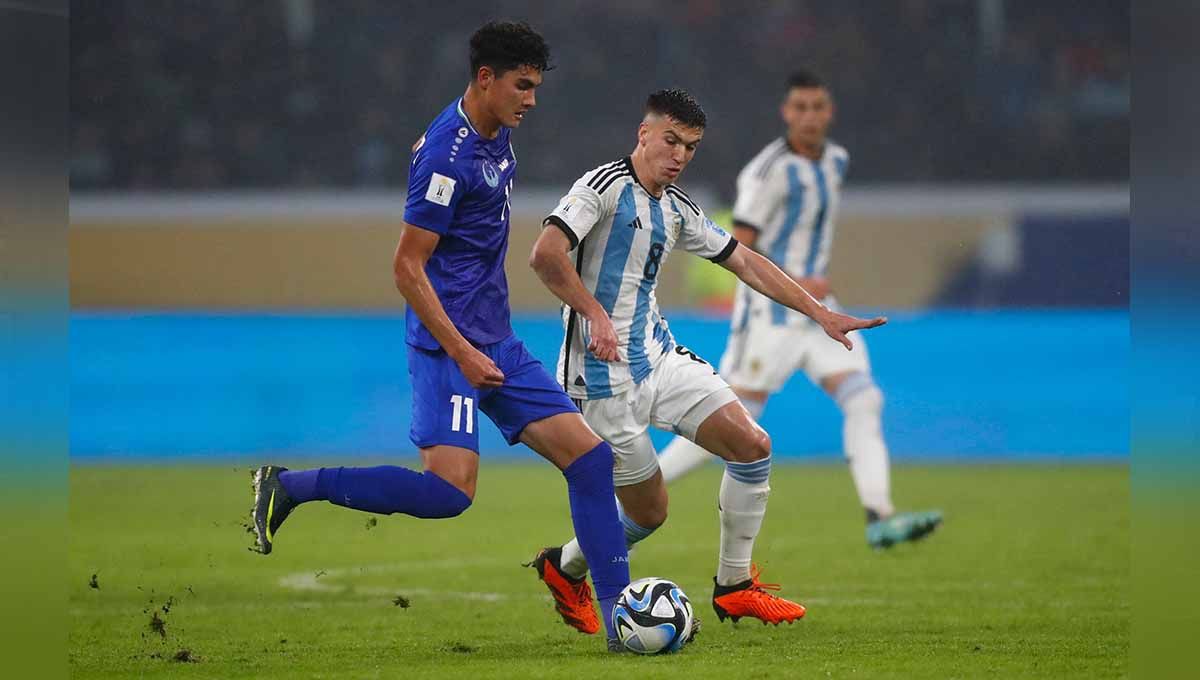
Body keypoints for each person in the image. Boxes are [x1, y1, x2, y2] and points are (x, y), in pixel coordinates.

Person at [248, 20, 632, 650]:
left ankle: (621, 622)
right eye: (522, 85)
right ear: (486, 78)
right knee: (451, 494)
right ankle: (290, 485)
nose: (531, 100)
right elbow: (406, 267)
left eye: (535, 86)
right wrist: (463, 351)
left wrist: (487, 344)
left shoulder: (498, 137)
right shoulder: (446, 157)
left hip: (495, 338)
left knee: (591, 460)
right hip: (448, 344)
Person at [525, 88, 886, 632]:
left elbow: (747, 263)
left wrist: (819, 313)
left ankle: (734, 585)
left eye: (690, 147)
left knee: (752, 445)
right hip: (600, 381)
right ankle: (564, 567)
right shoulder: (600, 188)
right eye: (670, 141)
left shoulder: (677, 208)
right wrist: (594, 314)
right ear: (643, 135)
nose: (679, 156)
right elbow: (544, 255)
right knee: (650, 513)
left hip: (660, 359)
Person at [656, 69, 942, 549]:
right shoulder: (767, 173)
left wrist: (815, 288)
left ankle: (879, 516)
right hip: (771, 313)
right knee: (733, 421)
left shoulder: (836, 161)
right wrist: (797, 278)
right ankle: (636, 491)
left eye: (818, 107)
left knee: (864, 399)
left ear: (830, 112)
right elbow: (737, 245)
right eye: (800, 108)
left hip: (822, 313)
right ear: (786, 113)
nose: (809, 117)